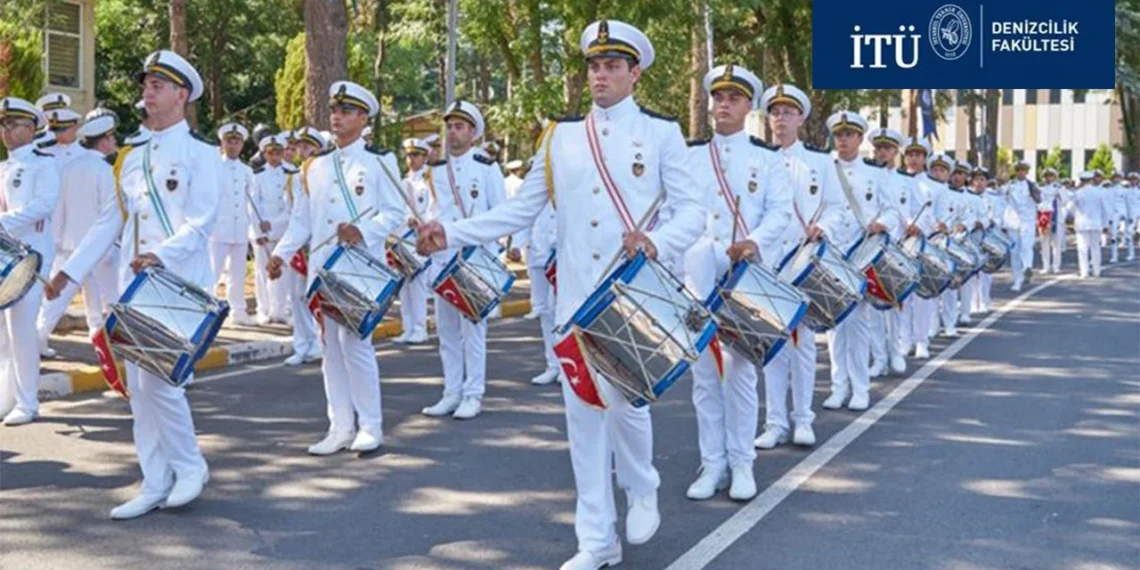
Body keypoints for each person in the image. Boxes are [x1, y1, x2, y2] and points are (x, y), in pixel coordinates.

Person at [415, 20, 705, 569]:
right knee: (583, 421)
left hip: (629, 297)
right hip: (575, 299)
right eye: (594, 66)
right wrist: (449, 233)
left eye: (613, 66)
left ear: (634, 72)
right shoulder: (561, 137)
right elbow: (520, 211)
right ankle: (596, 541)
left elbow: (692, 210)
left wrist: (659, 241)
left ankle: (642, 483)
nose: (601, 75)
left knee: (626, 404)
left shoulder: (661, 133)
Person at [46, 50, 218, 518]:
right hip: (133, 287)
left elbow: (201, 222)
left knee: (161, 383)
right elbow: (109, 222)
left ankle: (189, 466)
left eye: (158, 85)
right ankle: (154, 478)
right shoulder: (131, 157)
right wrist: (69, 271)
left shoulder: (202, 154)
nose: (148, 90)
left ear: (181, 95)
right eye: (146, 83)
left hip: (177, 286)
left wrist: (161, 255)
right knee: (138, 387)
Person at [266, 80, 406, 455]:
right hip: (322, 270)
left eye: (346, 111)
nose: (337, 117)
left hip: (358, 268)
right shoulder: (313, 167)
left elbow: (396, 212)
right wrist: (280, 253)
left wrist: (363, 230)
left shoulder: (380, 161)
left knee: (356, 344)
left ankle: (370, 425)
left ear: (363, 118)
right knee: (330, 348)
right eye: (334, 111)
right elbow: (301, 220)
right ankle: (340, 425)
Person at [683, 64, 792, 501]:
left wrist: (753, 240)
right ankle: (712, 464)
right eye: (718, 98)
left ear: (749, 107)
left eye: (733, 98)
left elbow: (781, 212)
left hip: (743, 274)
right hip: (697, 274)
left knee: (740, 371)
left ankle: (742, 462)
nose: (723, 105)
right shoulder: (689, 155)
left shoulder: (766, 159)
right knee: (704, 376)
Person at [752, 84, 852, 450]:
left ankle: (803, 419)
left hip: (801, 260)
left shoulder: (820, 162)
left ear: (802, 118)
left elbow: (837, 208)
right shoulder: (757, 159)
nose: (780, 118)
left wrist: (821, 228)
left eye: (788, 112)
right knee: (772, 345)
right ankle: (775, 422)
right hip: (765, 263)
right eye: (775, 112)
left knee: (803, 342)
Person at [419, 100, 508, 421]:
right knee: (446, 332)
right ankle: (451, 391)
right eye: (450, 126)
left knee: (473, 331)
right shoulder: (436, 171)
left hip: (474, 259)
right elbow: (434, 213)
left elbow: (501, 213)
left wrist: (493, 254)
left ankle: (473, 393)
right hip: (444, 260)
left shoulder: (486, 167)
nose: (453, 133)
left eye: (459, 127)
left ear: (473, 131)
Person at [821, 111, 897, 412]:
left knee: (859, 324)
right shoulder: (825, 168)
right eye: (838, 134)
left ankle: (860, 388)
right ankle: (838, 387)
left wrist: (881, 224)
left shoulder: (875, 173)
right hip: (831, 254)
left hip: (861, 255)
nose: (842, 139)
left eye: (849, 134)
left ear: (859, 138)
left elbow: (892, 211)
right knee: (834, 326)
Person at [36, 107, 121, 356]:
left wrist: (57, 241)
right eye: (112, 138)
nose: (114, 142)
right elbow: (110, 214)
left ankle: (37, 341)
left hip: (68, 246)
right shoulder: (106, 172)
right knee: (113, 299)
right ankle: (115, 343)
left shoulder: (70, 167)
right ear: (103, 141)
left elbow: (58, 209)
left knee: (54, 302)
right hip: (98, 249)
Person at [0, 97, 60, 426]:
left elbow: (44, 205)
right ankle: (6, 396)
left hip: (31, 260)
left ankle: (27, 401)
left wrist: (4, 222)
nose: (6, 132)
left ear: (32, 129)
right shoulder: (3, 167)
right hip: (4, 259)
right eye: (3, 125)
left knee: (21, 331)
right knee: (2, 334)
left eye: (14, 125)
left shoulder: (43, 164)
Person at [865, 127, 912, 376]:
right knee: (873, 305)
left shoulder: (906, 181)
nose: (882, 152)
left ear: (896, 151)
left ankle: (896, 352)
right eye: (879, 148)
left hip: (896, 248)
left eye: (887, 148)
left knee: (896, 304)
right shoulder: (867, 175)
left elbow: (914, 213)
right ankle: (879, 358)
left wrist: (912, 226)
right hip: (870, 248)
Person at [281, 126, 325, 366]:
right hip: (299, 242)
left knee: (316, 295)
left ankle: (319, 342)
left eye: (308, 146)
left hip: (320, 242)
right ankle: (302, 343)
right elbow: (294, 213)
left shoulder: (326, 174)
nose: (303, 150)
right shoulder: (294, 177)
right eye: (300, 146)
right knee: (297, 295)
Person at [210, 122, 255, 326]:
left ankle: (238, 311)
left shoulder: (247, 171)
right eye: (230, 141)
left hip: (240, 228)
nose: (233, 145)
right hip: (219, 229)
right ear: (222, 142)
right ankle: (207, 310)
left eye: (237, 141)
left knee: (238, 273)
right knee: (213, 271)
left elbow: (250, 202)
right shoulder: (214, 167)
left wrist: (255, 228)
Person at [391, 137, 432, 345]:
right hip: (404, 238)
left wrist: (420, 220)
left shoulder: (430, 180)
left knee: (417, 285)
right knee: (405, 286)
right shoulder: (404, 181)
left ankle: (420, 328)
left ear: (425, 156)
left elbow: (434, 209)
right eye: (408, 155)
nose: (411, 159)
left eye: (415, 155)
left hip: (421, 239)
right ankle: (407, 327)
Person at [250, 134, 293, 325]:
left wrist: (275, 224)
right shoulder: (257, 175)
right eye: (270, 152)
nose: (275, 156)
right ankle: (264, 309)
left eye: (278, 152)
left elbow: (292, 204)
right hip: (263, 230)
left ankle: (281, 309)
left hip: (285, 229)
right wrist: (258, 232)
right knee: (262, 271)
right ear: (265, 154)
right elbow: (252, 205)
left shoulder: (292, 173)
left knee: (285, 270)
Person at [1003, 160, 1040, 291]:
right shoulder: (1009, 186)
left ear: (1026, 172)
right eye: (1018, 170)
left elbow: (1039, 200)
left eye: (1023, 170)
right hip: (1013, 222)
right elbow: (1001, 199)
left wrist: (1035, 194)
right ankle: (1017, 279)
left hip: (1028, 221)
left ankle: (1027, 268)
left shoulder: (1032, 186)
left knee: (1026, 246)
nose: (1020, 172)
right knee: (1014, 252)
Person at [1069, 171, 1112, 278]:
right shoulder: (1099, 193)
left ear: (1081, 180)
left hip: (1082, 223)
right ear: (1091, 180)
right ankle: (1096, 271)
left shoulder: (1078, 193)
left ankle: (1084, 272)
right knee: (1095, 247)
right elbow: (1105, 210)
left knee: (1082, 249)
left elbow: (1070, 209)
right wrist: (1106, 225)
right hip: (1096, 223)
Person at [1036, 168, 1066, 274]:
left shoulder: (1059, 188)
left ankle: (1056, 266)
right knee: (1044, 243)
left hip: (1057, 219)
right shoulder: (1040, 188)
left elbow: (1065, 201)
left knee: (1056, 244)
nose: (1048, 178)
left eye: (1050, 176)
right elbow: (1037, 202)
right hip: (1044, 218)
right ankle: (1046, 266)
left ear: (1055, 177)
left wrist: (1059, 195)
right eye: (1046, 176)